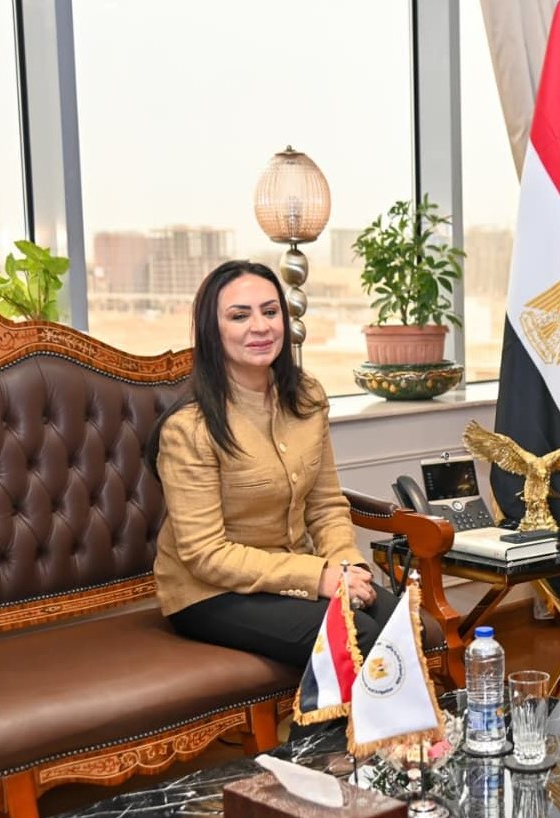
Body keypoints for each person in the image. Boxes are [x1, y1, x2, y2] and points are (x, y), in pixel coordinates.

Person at [148, 259, 397, 668]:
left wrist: (346, 564)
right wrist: (316, 577)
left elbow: (325, 505)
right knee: (356, 637)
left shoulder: (307, 398)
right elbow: (206, 554)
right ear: (212, 330)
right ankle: (331, 718)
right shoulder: (188, 429)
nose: (260, 327)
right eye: (239, 316)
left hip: (296, 572)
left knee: (397, 626)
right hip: (211, 592)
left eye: (270, 311)